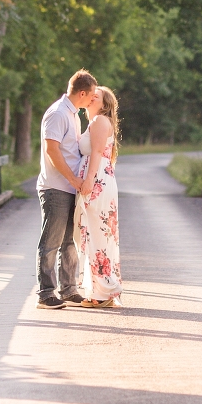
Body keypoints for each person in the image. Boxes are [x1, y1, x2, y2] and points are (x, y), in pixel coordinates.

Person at [35, 71, 98, 309]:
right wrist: (73, 179)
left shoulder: (74, 115)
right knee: (50, 241)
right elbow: (52, 151)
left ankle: (69, 289)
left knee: (69, 242)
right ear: (82, 93)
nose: (92, 99)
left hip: (71, 188)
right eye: (91, 95)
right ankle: (45, 294)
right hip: (56, 187)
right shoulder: (58, 113)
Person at [74, 86, 122, 308]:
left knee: (98, 234)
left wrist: (89, 180)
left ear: (104, 104)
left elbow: (96, 153)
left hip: (98, 182)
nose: (92, 96)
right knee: (94, 233)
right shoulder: (94, 123)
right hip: (99, 179)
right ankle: (100, 290)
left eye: (97, 95)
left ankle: (103, 293)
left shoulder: (100, 121)